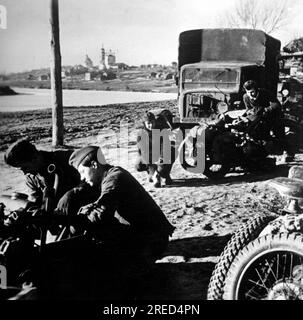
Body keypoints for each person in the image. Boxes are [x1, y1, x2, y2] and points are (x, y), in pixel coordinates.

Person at [68, 145, 175, 268]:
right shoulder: (107, 176)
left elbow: (103, 209)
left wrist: (76, 221)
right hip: (145, 234)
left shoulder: (114, 178)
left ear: (94, 165)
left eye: (82, 172)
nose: (82, 177)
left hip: (152, 240)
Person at [3, 138, 98, 229]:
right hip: (59, 218)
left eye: (25, 168)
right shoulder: (31, 178)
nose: (24, 173)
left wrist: (73, 193)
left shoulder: (67, 159)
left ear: (35, 158)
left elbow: (97, 176)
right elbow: (37, 202)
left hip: (87, 210)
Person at [241, 80, 294, 162]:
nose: (250, 94)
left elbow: (276, 105)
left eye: (252, 92)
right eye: (248, 92)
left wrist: (265, 110)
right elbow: (248, 109)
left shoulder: (265, 93)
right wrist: (249, 113)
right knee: (256, 134)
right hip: (259, 118)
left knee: (279, 134)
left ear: (256, 89)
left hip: (273, 116)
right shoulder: (245, 97)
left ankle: (288, 152)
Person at [135, 109, 176, 188]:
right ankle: (154, 175)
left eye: (152, 122)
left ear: (155, 121)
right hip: (149, 156)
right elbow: (143, 152)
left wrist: (161, 160)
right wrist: (152, 171)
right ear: (144, 124)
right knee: (138, 166)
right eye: (148, 123)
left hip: (161, 155)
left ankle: (165, 175)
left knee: (170, 155)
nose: (151, 125)